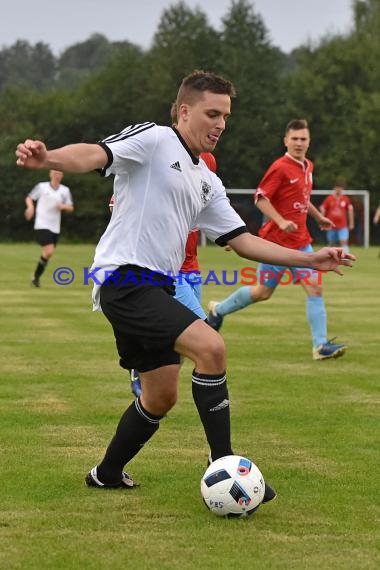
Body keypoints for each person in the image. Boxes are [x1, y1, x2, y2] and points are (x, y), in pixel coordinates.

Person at [16, 72, 354, 503]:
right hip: (124, 278)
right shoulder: (155, 139)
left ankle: (106, 474)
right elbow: (94, 154)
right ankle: (227, 468)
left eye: (226, 116)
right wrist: (48, 159)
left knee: (160, 396)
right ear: (184, 111)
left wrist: (311, 258)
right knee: (211, 348)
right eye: (212, 113)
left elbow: (243, 241)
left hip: (157, 285)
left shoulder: (206, 180)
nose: (221, 124)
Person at [208, 119, 348, 361]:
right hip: (275, 245)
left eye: (303, 139)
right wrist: (281, 221)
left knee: (314, 287)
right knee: (262, 292)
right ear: (286, 141)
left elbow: (303, 198)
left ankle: (320, 346)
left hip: (301, 241)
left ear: (309, 141)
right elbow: (261, 198)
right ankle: (218, 310)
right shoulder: (280, 167)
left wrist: (319, 216)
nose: (299, 143)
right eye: (294, 139)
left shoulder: (307, 166)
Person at [110, 151, 217, 398]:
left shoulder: (208, 160)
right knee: (203, 333)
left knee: (178, 342)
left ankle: (146, 371)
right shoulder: (157, 154)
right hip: (165, 267)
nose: (216, 126)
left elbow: (208, 202)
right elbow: (120, 206)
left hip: (191, 265)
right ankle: (142, 365)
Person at [24, 169, 74, 287]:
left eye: (59, 173)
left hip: (55, 226)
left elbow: (71, 207)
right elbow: (29, 197)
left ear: (62, 175)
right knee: (49, 250)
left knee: (47, 254)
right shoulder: (42, 187)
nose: (57, 175)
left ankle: (35, 278)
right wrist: (30, 207)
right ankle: (35, 278)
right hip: (42, 224)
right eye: (55, 172)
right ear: (50, 173)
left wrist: (63, 206)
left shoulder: (65, 190)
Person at [319, 180, 354, 253]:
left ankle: (345, 257)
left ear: (342, 189)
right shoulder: (329, 199)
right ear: (334, 189)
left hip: (342, 226)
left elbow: (350, 211)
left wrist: (351, 223)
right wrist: (321, 220)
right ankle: (329, 258)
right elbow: (323, 209)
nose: (338, 190)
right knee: (331, 243)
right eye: (337, 188)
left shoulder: (345, 199)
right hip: (331, 225)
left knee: (344, 241)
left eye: (340, 188)